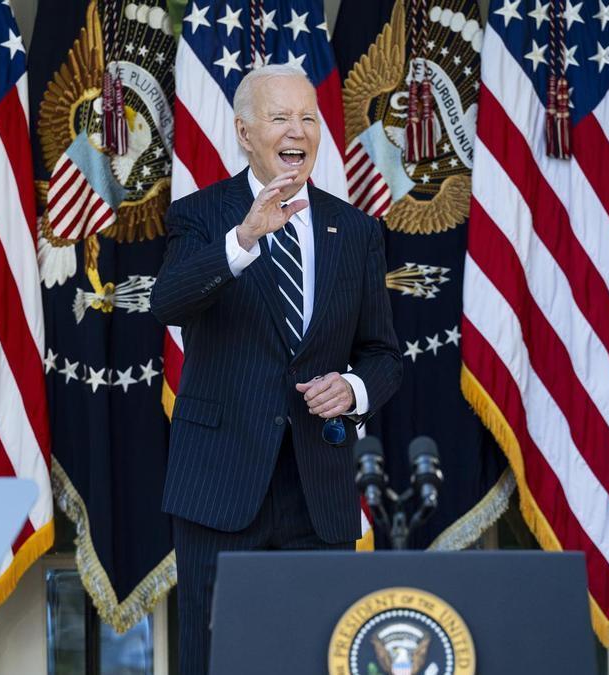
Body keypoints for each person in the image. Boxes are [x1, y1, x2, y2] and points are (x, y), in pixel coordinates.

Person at [150, 64, 402, 674]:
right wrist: (242, 240)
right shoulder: (201, 216)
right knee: (214, 658)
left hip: (319, 488)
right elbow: (168, 302)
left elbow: (383, 353)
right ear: (243, 131)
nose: (298, 130)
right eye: (281, 117)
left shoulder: (356, 230)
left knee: (322, 656)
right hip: (220, 485)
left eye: (308, 118)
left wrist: (354, 387)